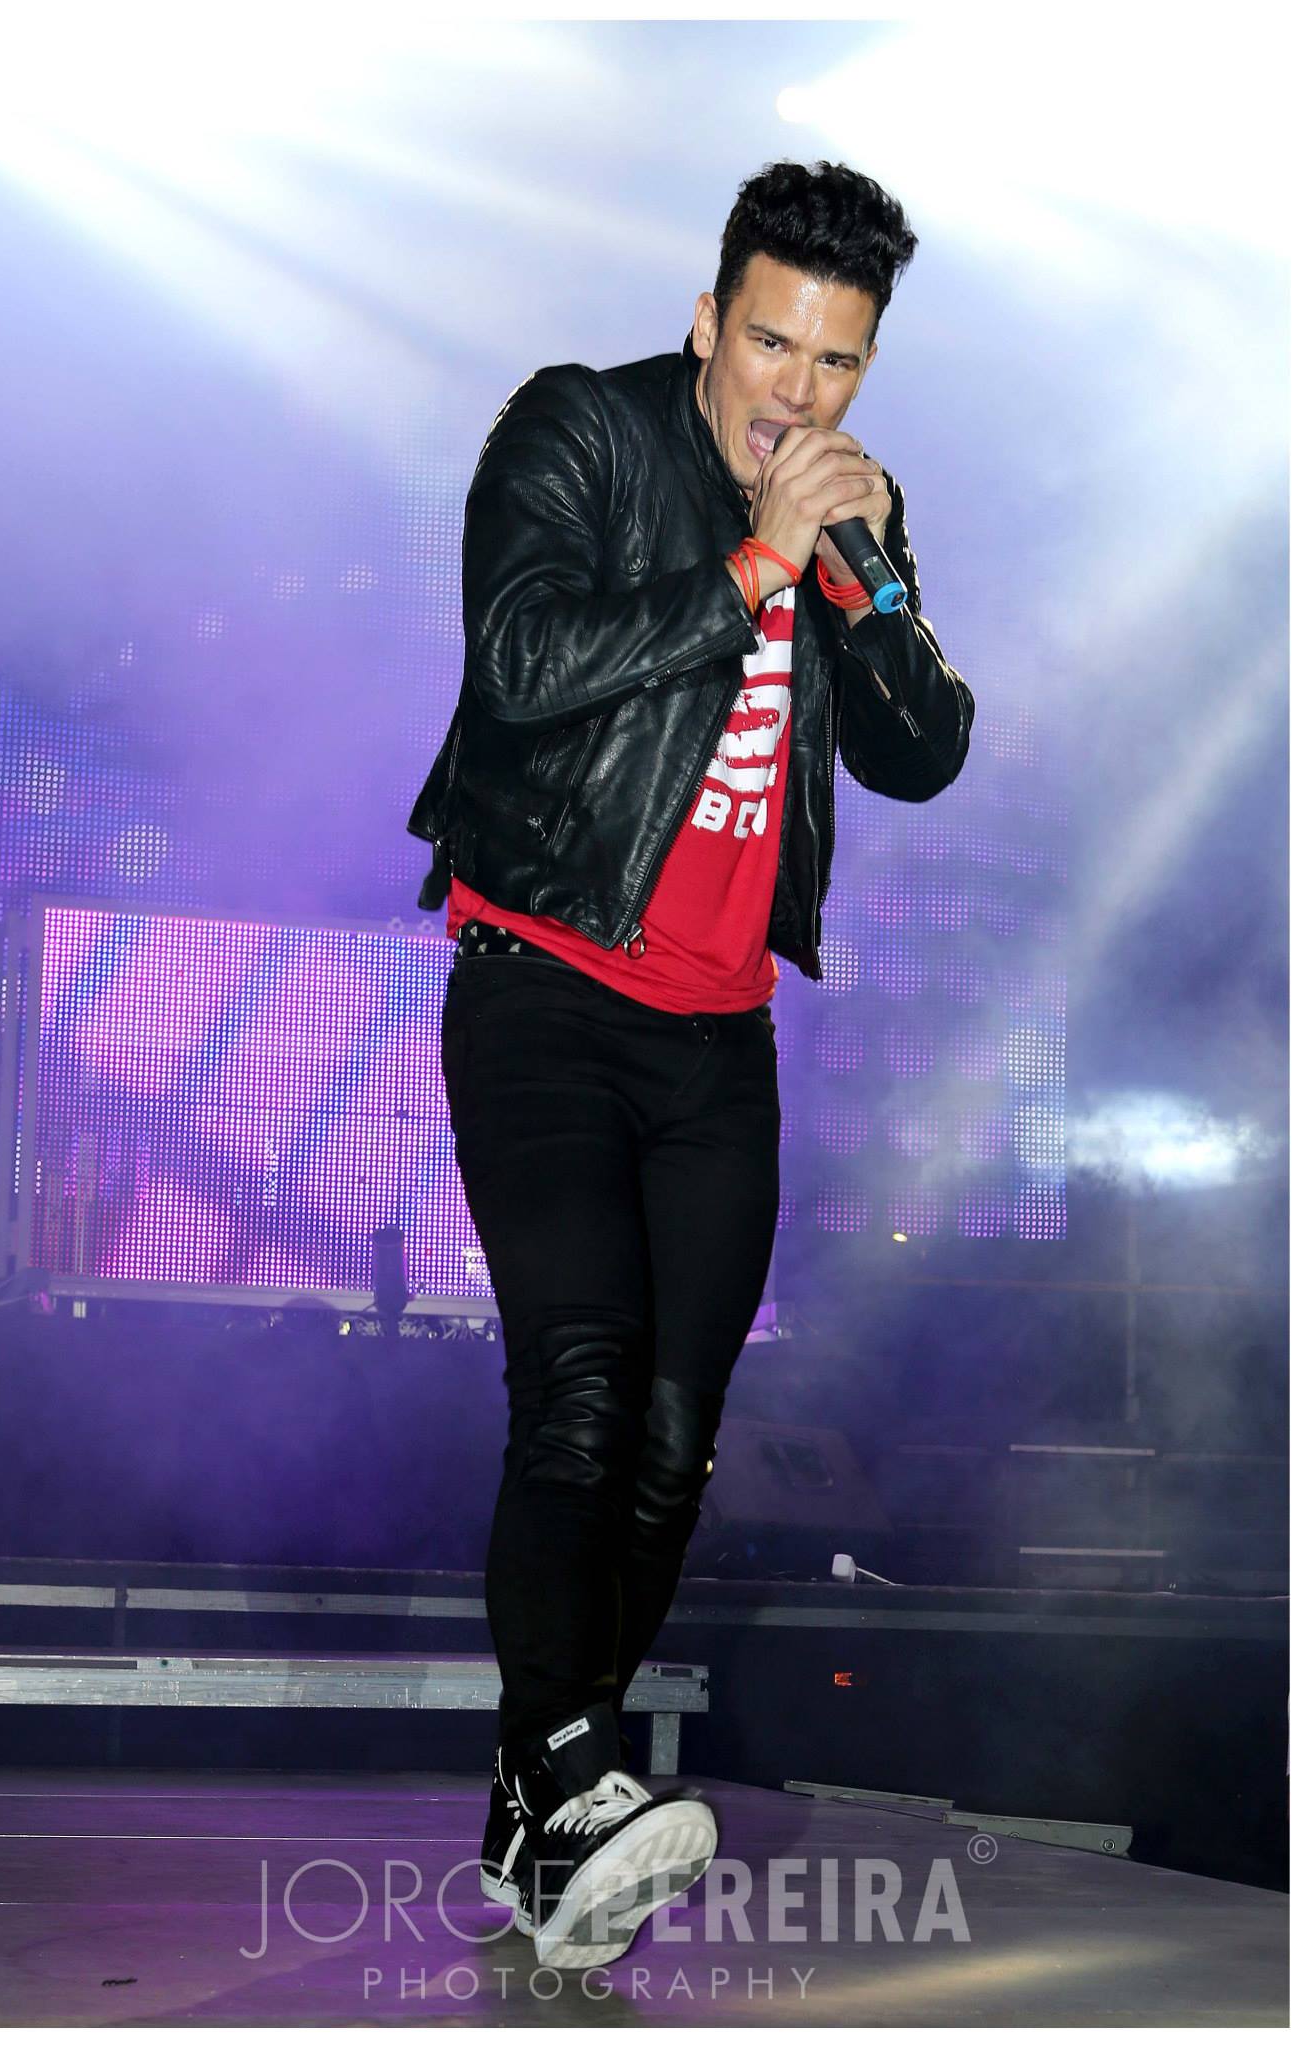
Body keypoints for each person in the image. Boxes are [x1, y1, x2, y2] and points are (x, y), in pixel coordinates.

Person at [407, 159, 974, 1969]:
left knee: (673, 1444)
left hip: (720, 1038)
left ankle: (541, 1799)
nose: (796, 393)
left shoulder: (851, 512)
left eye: (838, 361)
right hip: (547, 985)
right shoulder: (577, 429)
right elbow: (517, 661)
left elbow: (924, 753)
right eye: (771, 344)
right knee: (579, 1386)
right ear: (711, 319)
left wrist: (868, 598)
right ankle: (571, 1773)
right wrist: (752, 568)